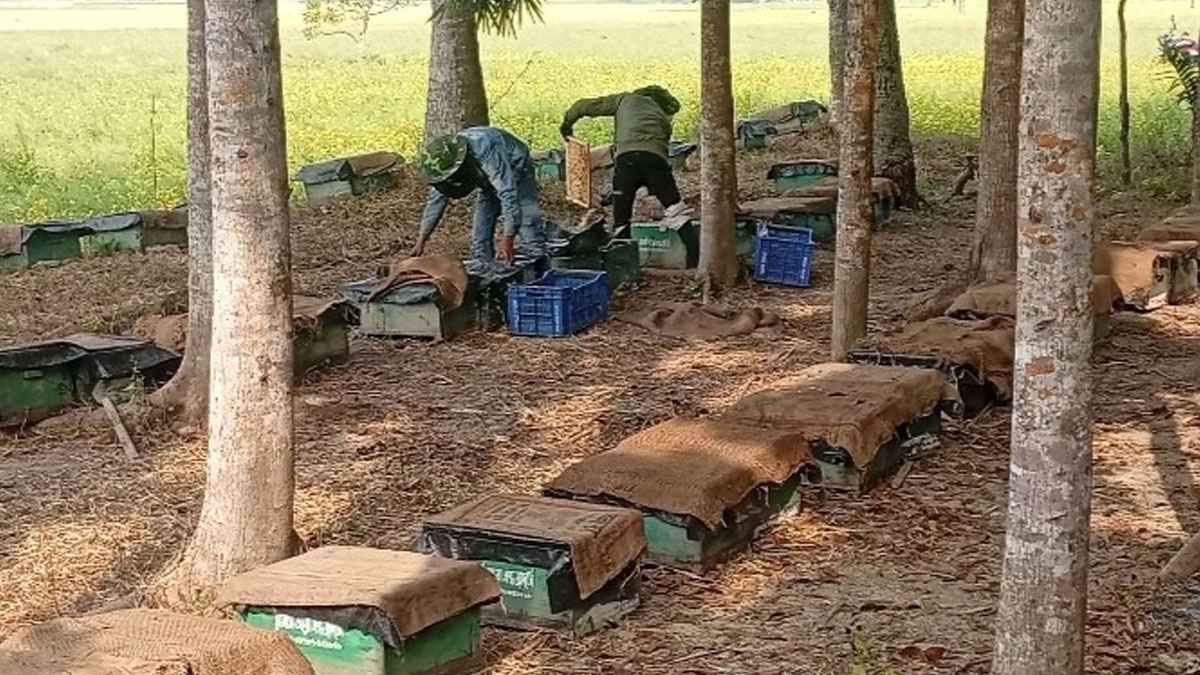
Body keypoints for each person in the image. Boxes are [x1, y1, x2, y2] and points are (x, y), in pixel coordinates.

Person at [560, 85, 683, 239]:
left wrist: (567, 125)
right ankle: (695, 255)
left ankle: (621, 254)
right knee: (678, 212)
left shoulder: (624, 100)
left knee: (621, 221)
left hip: (626, 162)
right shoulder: (663, 122)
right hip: (653, 163)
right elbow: (652, 164)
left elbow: (583, 106)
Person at [413, 126, 547, 264]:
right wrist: (422, 239)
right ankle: (484, 265)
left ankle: (537, 264)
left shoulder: (486, 150)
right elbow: (435, 202)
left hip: (516, 165)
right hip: (486, 177)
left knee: (528, 222)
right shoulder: (442, 168)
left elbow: (508, 193)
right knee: (480, 233)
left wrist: (508, 237)